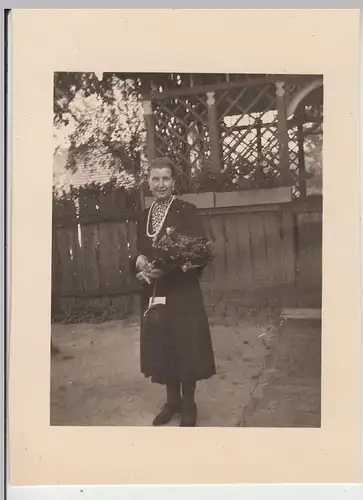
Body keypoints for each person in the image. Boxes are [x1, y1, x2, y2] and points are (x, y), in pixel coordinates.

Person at [131, 157, 216, 427]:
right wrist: (139, 260)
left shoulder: (186, 211)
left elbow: (197, 251)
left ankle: (189, 403)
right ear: (148, 182)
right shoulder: (145, 216)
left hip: (182, 291)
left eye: (165, 178)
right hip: (155, 293)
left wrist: (166, 269)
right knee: (162, 344)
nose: (160, 184)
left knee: (185, 344)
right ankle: (172, 401)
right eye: (155, 179)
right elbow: (139, 248)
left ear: (174, 182)